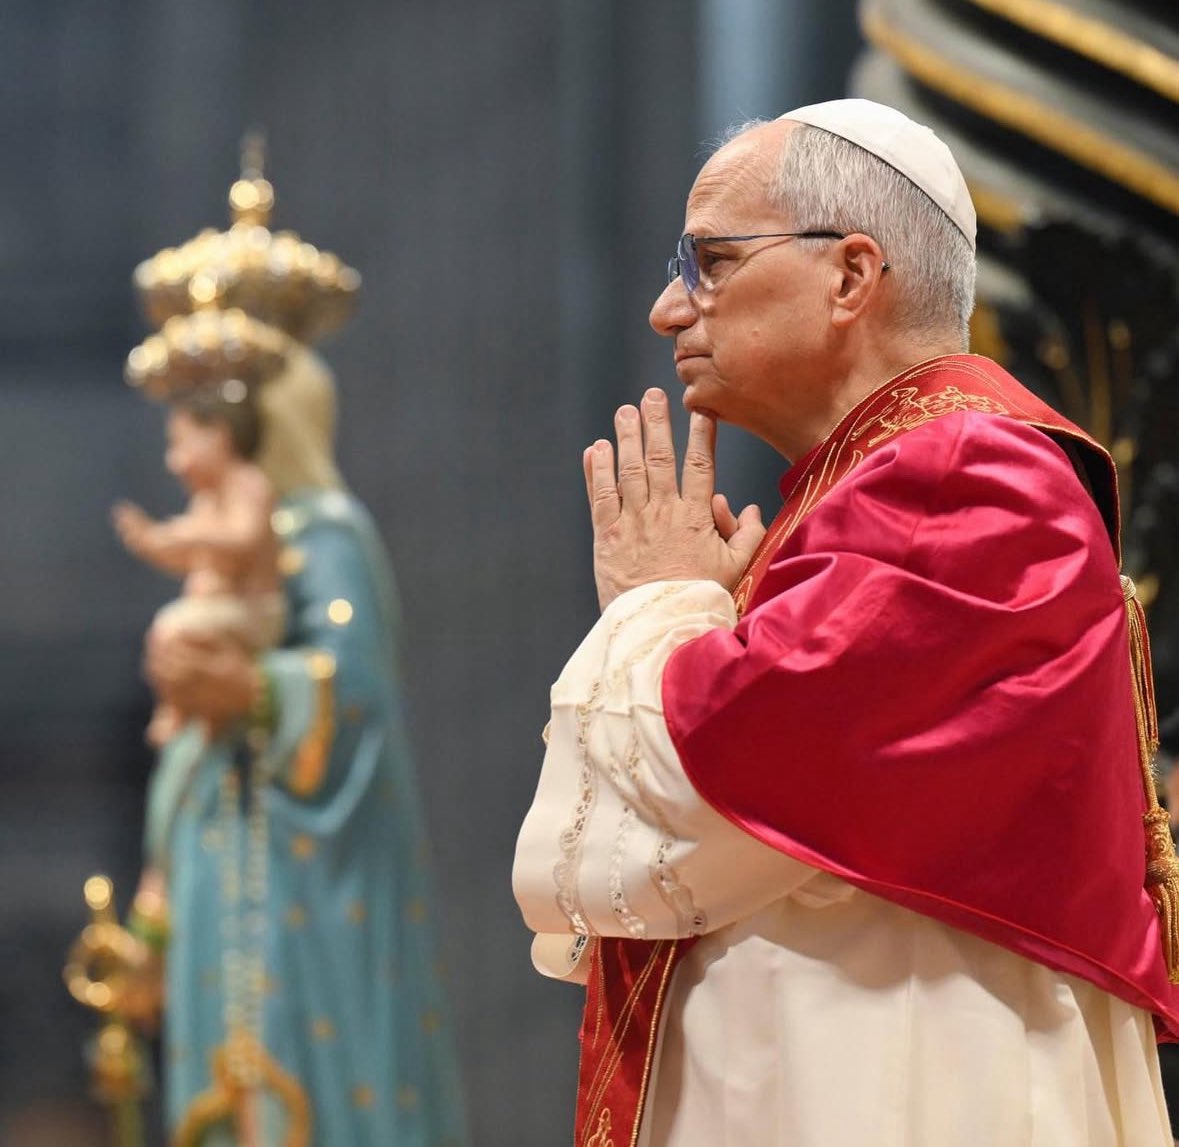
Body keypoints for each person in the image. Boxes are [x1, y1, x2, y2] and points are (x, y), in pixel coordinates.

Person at [513, 99, 1179, 1145]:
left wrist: (660, 604)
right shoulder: (871, 494)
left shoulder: (967, 475)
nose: (667, 309)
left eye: (711, 262)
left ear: (852, 276)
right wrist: (705, 611)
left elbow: (710, 777)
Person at [116, 314, 469, 1146]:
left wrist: (254, 689)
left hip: (305, 859)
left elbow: (357, 691)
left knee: (306, 1077)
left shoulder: (324, 538)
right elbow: (186, 746)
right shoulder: (221, 549)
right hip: (213, 846)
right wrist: (156, 892)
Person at [113, 387, 284, 747]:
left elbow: (243, 540)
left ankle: (178, 710)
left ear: (218, 435)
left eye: (183, 444)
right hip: (218, 612)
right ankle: (186, 709)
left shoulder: (248, 486)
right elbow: (186, 558)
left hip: (253, 613)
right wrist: (151, 543)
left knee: (173, 630)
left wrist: (194, 536)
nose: (175, 461)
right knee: (167, 641)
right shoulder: (208, 500)